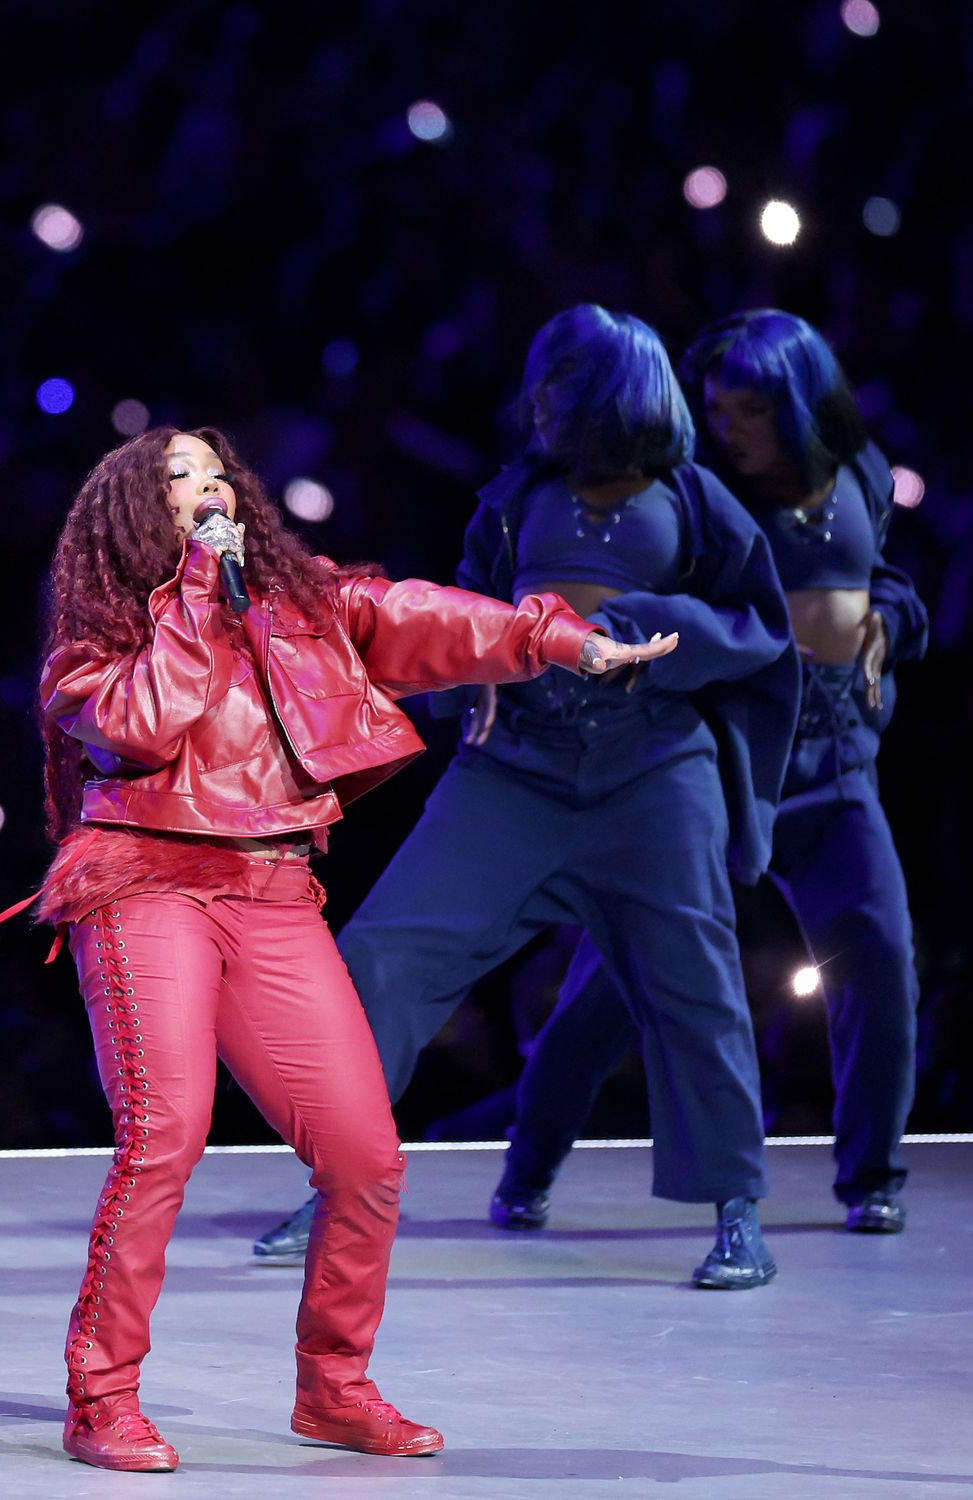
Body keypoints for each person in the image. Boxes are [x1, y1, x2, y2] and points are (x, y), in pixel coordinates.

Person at [0, 423, 671, 1472]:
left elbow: (411, 615)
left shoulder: (293, 602)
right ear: (134, 509)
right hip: (145, 885)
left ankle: (334, 1387)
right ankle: (101, 1395)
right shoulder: (96, 642)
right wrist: (194, 595)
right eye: (182, 479)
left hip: (270, 891)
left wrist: (555, 639)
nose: (211, 491)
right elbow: (146, 724)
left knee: (364, 1156)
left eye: (218, 473)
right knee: (164, 1137)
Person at [252, 305, 799, 1288]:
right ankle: (336, 1183)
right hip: (515, 773)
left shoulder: (694, 498)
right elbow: (461, 617)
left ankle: (736, 1212)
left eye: (557, 382)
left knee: (694, 988)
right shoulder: (513, 499)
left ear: (610, 389)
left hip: (647, 775)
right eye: (538, 383)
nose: (537, 401)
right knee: (383, 954)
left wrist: (654, 626)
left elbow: (755, 628)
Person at [496, 310, 927, 1233]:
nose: (724, 424)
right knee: (615, 985)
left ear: (799, 405)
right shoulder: (693, 489)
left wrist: (892, 616)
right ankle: (528, 1164)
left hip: (839, 764)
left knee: (881, 956)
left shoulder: (863, 473)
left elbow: (882, 574)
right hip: (725, 769)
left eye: (748, 410)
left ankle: (873, 1179)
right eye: (717, 407)